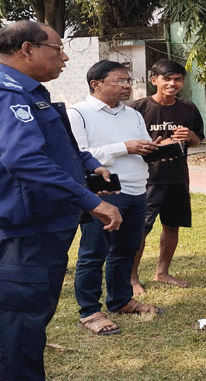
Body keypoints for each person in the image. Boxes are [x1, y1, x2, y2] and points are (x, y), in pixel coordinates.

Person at [0, 20, 122, 381]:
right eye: (57, 49)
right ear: (27, 50)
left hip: (42, 219)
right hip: (24, 226)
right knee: (23, 319)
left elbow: (51, 149)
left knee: (32, 316)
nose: (64, 58)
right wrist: (91, 202)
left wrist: (88, 167)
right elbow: (24, 161)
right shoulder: (5, 94)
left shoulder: (27, 91)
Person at [68, 60, 163, 336]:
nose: (126, 86)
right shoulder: (78, 114)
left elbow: (140, 144)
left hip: (136, 189)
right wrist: (124, 147)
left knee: (126, 250)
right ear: (95, 84)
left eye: (128, 81)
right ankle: (89, 310)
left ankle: (120, 300)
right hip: (103, 193)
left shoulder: (132, 114)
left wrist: (152, 148)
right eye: (119, 81)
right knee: (93, 253)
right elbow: (80, 155)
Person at [127, 59, 204, 294]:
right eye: (167, 79)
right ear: (154, 80)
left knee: (172, 226)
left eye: (177, 79)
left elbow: (198, 141)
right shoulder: (137, 108)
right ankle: (131, 278)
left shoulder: (188, 108)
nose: (173, 84)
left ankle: (162, 272)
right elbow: (127, 144)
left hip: (177, 177)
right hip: (147, 178)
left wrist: (189, 135)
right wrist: (153, 145)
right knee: (141, 229)